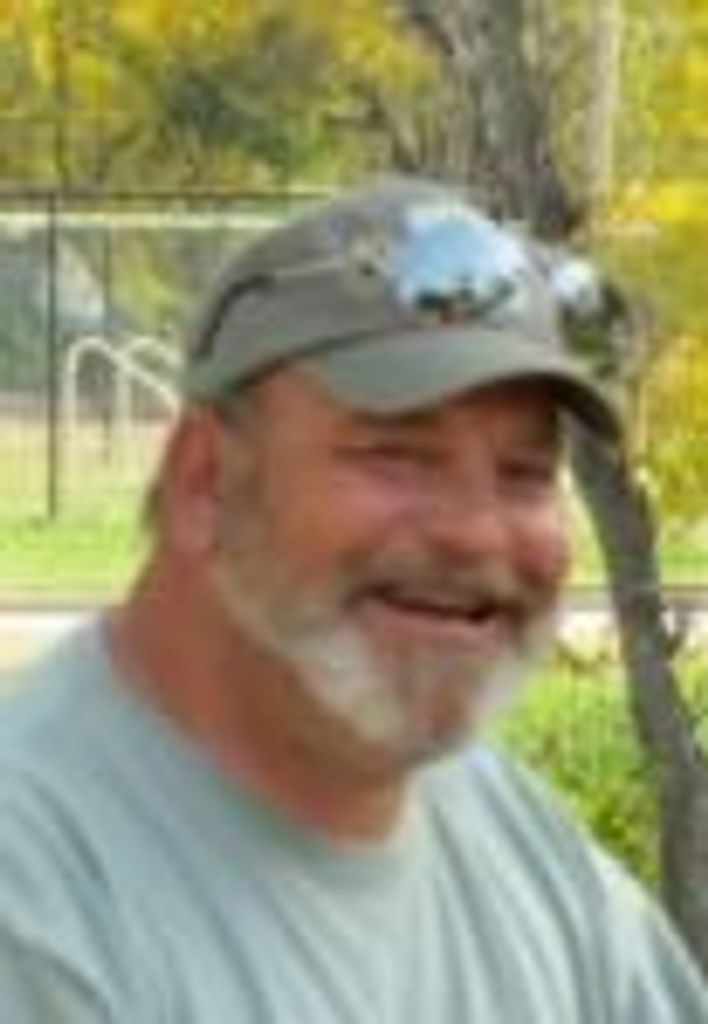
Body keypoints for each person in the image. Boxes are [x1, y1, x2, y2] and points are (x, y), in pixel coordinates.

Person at [0, 177, 705, 1022]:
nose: (476, 535)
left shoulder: (523, 849)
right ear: (204, 481)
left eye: (524, 474)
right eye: (399, 456)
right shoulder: (39, 897)